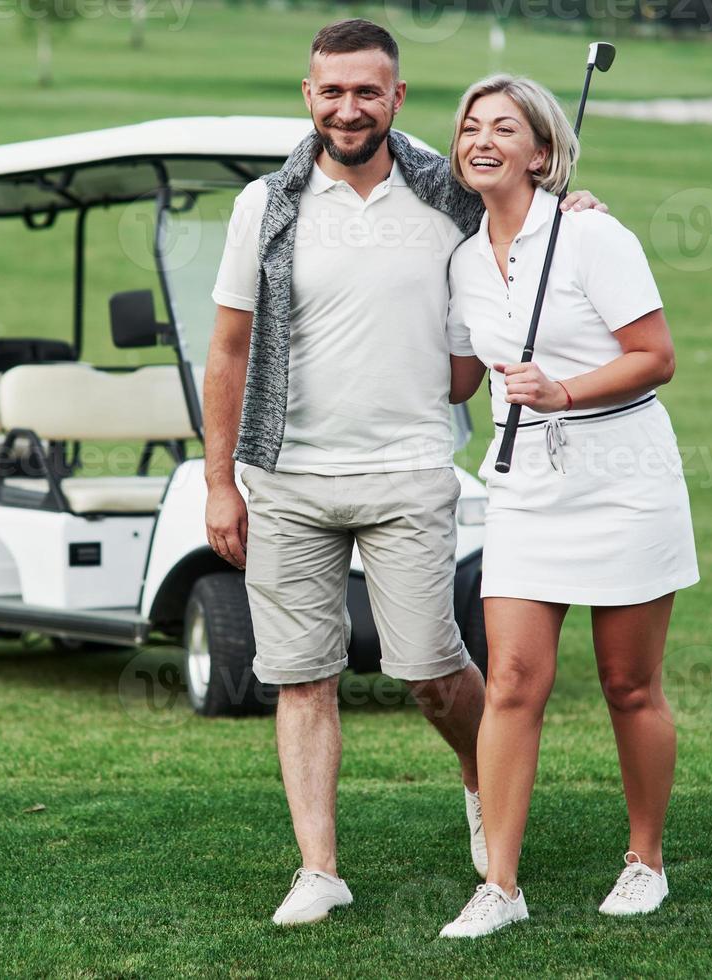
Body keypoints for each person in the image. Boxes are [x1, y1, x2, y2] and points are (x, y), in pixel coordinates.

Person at [200, 21, 604, 927]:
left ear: (397, 97)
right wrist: (219, 480)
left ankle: (478, 774)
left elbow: (523, 210)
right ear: (308, 95)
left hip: (414, 468)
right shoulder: (264, 205)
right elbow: (228, 347)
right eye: (332, 91)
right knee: (302, 675)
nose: (350, 108)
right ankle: (319, 869)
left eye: (367, 92)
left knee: (428, 669)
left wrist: (575, 209)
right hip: (288, 476)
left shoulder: (446, 193)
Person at [436, 74, 700, 940]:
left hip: (623, 477)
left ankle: (645, 860)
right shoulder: (463, 260)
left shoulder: (592, 235)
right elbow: (457, 377)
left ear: (541, 152)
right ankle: (501, 885)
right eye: (470, 126)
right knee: (512, 681)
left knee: (629, 685)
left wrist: (565, 392)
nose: (481, 139)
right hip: (524, 488)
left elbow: (655, 356)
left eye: (504, 128)